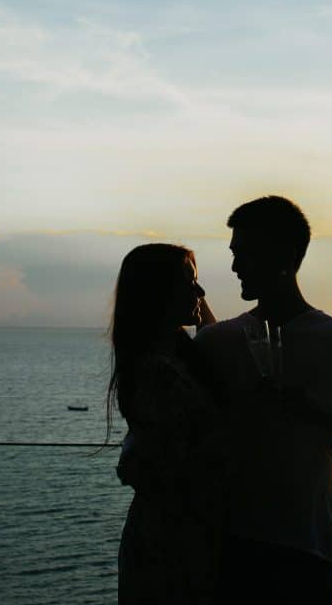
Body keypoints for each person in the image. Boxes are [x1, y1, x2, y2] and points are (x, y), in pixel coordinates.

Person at [194, 195, 332, 605]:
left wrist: (320, 413)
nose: (235, 267)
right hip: (228, 543)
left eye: (246, 254)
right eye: (234, 255)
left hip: (306, 546)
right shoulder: (217, 342)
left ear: (286, 255)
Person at [109, 243, 224, 604]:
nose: (200, 293)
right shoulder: (159, 373)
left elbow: (214, 336)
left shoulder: (171, 356)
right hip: (174, 545)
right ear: (158, 294)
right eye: (189, 283)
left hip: (174, 535)